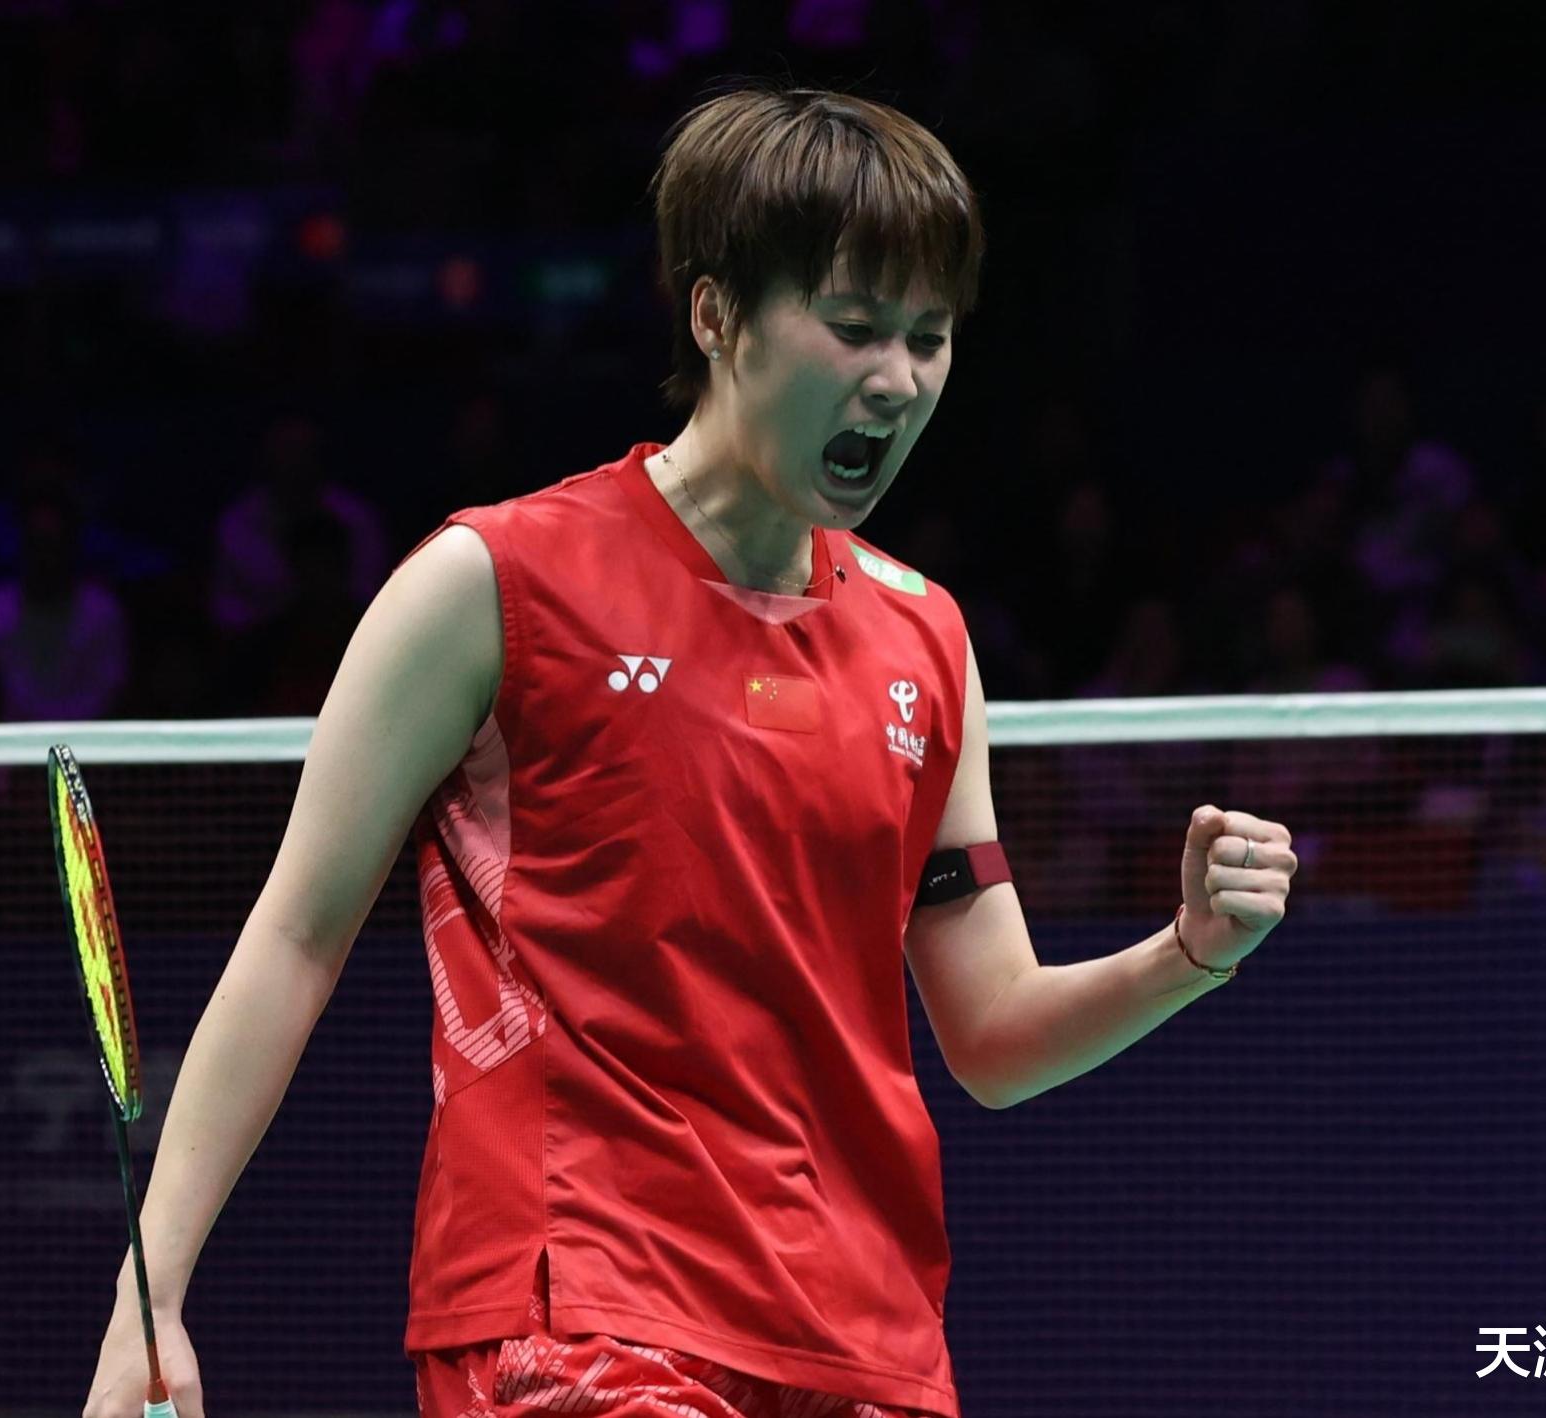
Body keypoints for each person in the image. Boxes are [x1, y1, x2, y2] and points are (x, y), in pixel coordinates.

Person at [83, 81, 1297, 1418]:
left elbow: (994, 1033)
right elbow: (296, 937)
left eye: (928, 338)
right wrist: (152, 1293)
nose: (896, 380)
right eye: (852, 328)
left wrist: (1188, 953)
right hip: (577, 1308)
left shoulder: (925, 642)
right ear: (715, 315)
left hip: (862, 1335)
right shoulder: (494, 587)